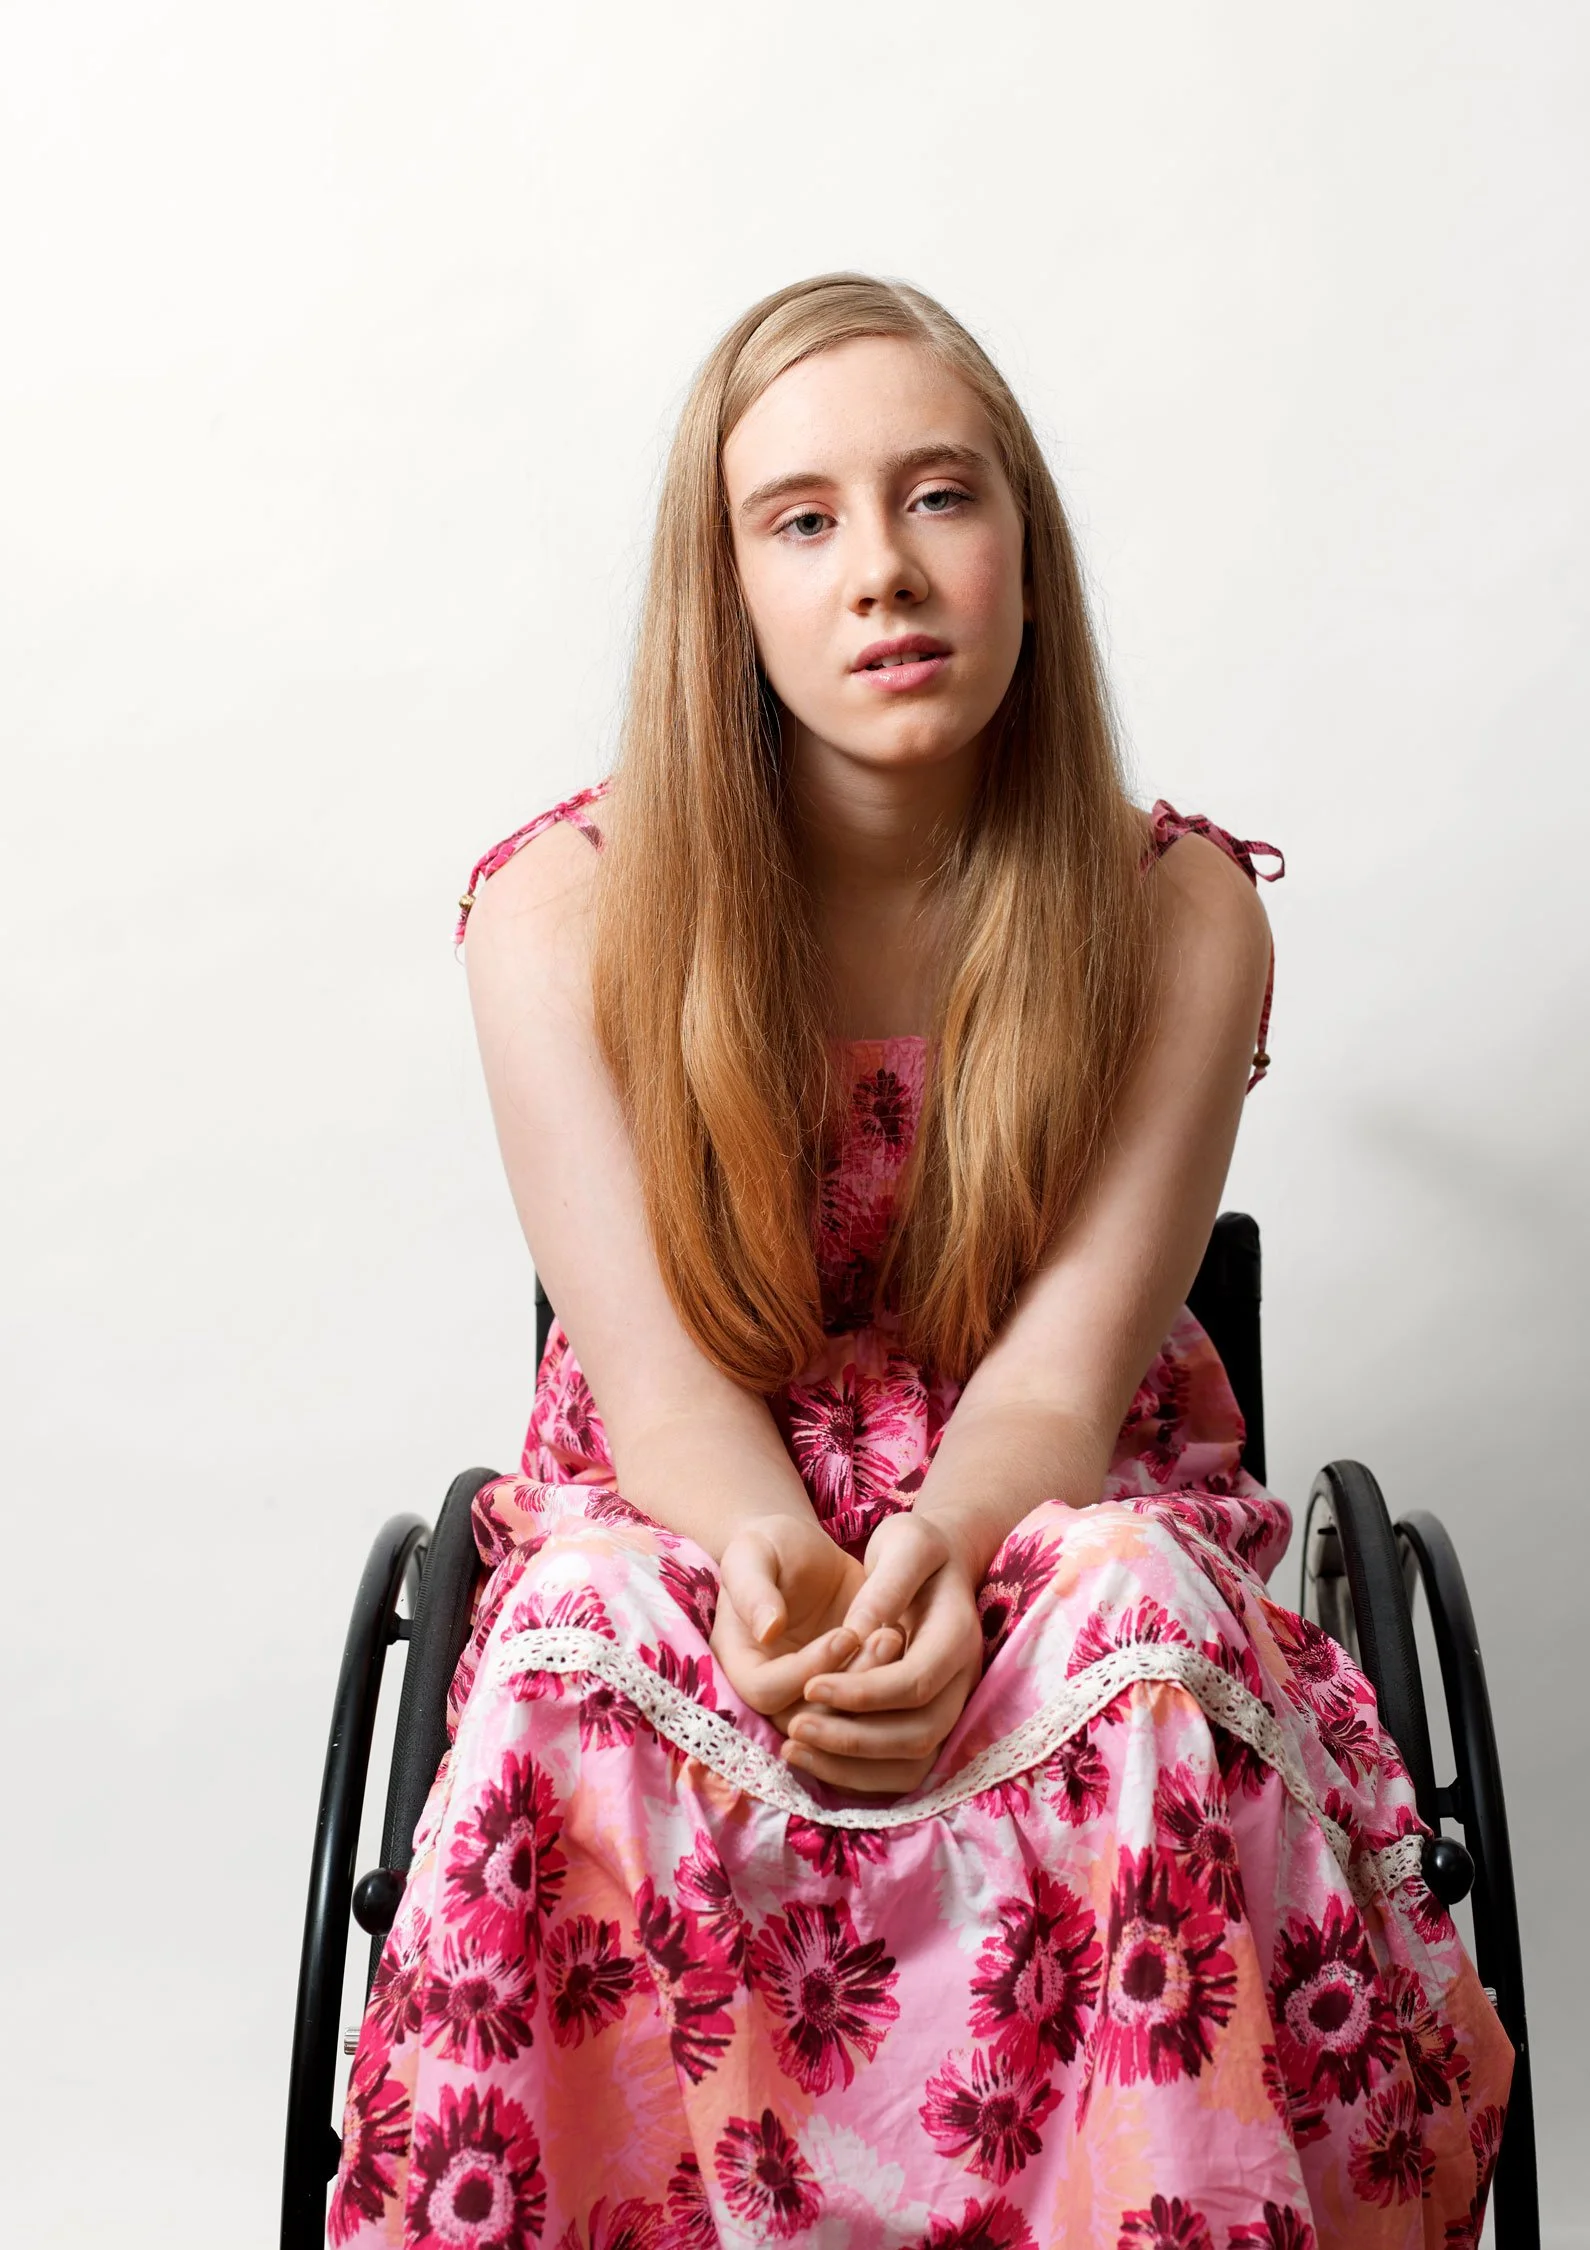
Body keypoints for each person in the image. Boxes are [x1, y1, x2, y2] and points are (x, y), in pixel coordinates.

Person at [330, 273, 1511, 2250]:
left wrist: (948, 1561)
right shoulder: (558, 912)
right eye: (803, 520)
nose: (881, 569)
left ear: (1025, 551)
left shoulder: (1178, 917)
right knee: (584, 1626)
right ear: (731, 593)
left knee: (1135, 1612)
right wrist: (778, 1557)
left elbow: (1060, 1382)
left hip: (1056, 1484)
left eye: (940, 499)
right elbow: (648, 1370)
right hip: (693, 1483)